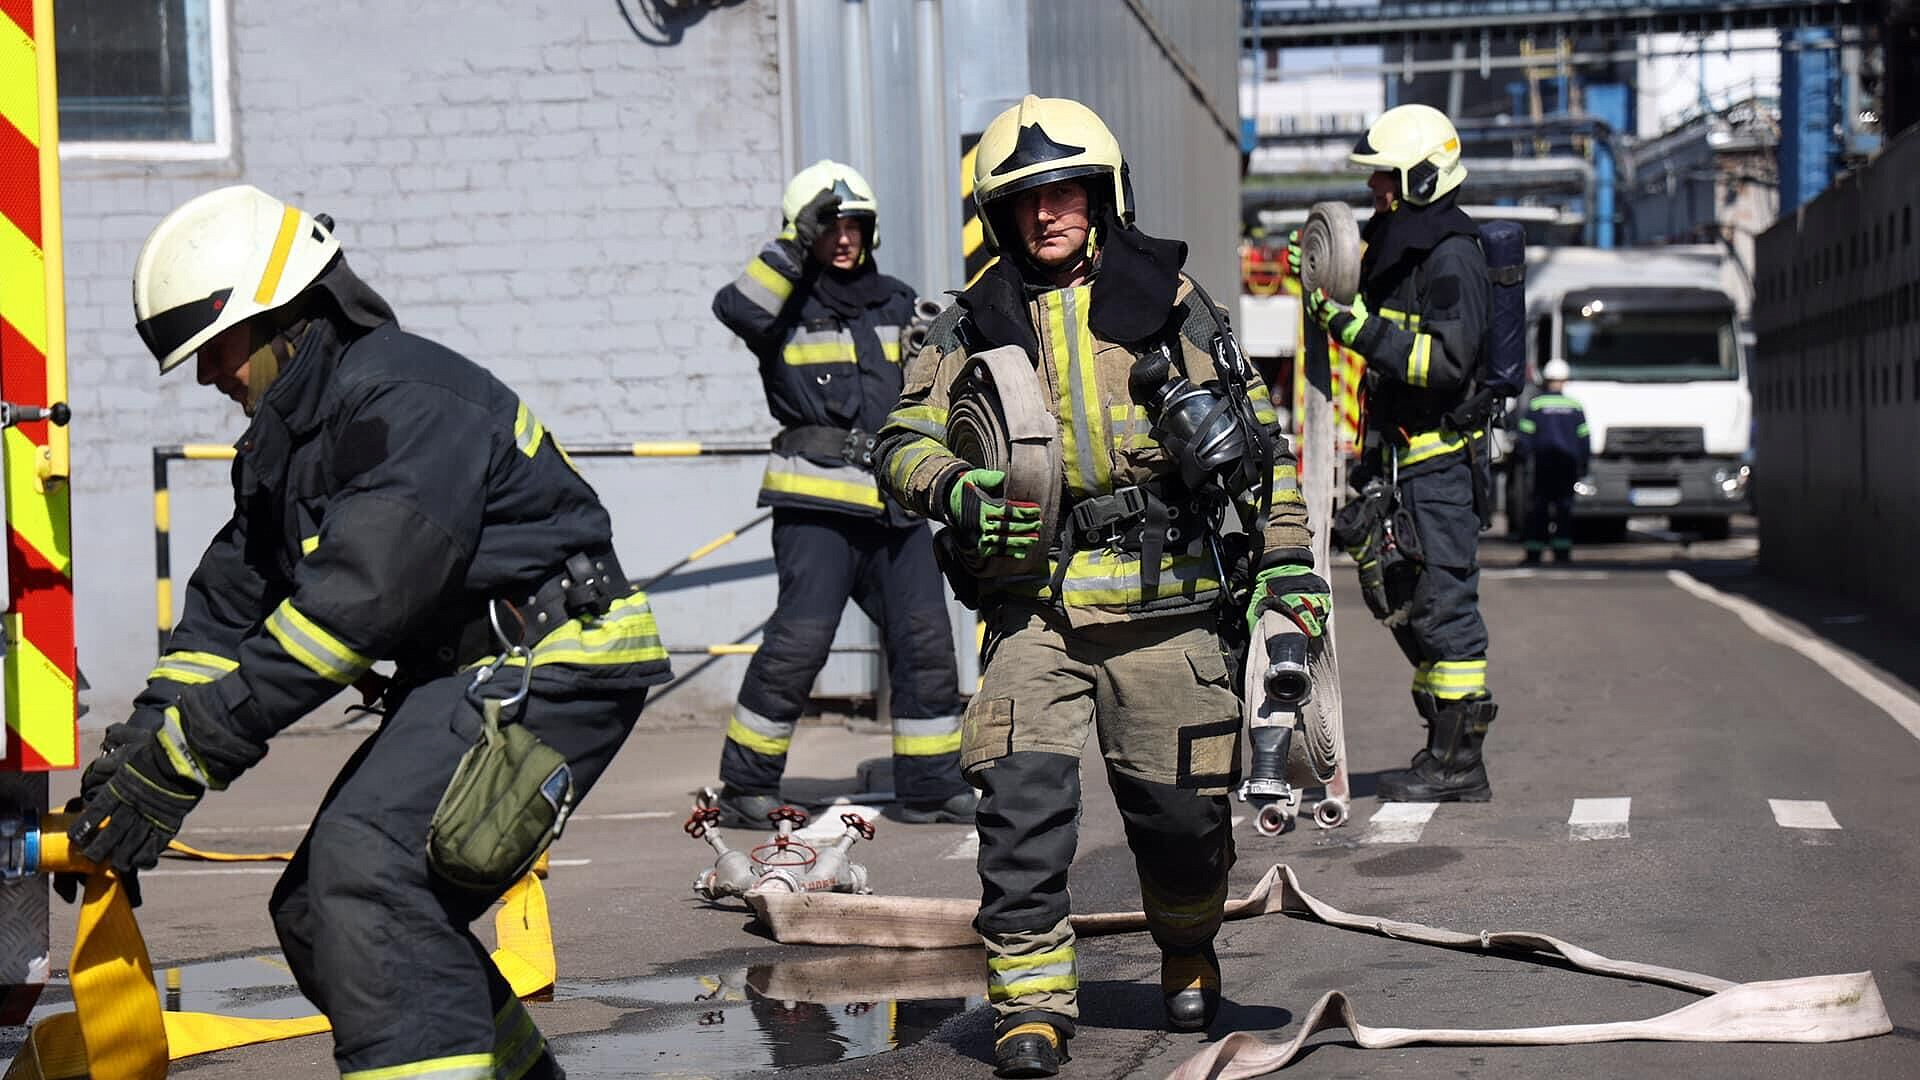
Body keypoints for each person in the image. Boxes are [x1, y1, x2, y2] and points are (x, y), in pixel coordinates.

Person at [70, 184, 672, 1080]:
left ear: (283, 317)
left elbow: (353, 609)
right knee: (319, 911)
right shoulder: (289, 445)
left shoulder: (405, 399)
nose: (206, 377)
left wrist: (188, 757)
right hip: (469, 674)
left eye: (215, 348)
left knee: (370, 872)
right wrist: (141, 750)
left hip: (553, 661)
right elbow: (225, 616)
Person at [876, 96, 1325, 1078]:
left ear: (1103, 195)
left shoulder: (1174, 304)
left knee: (1183, 825)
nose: (1046, 213)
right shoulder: (970, 324)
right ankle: (1031, 1004)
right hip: (1034, 612)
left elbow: (1262, 452)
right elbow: (899, 441)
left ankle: (1189, 944)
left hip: (1171, 613)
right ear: (1000, 215)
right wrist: (954, 487)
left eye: (1065, 192)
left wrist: (1289, 565)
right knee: (1020, 812)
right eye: (1024, 199)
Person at [709, 160, 972, 827]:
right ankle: (745, 786)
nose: (845, 238)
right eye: (829, 226)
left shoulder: (897, 301)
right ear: (805, 231)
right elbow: (735, 308)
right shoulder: (781, 306)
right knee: (800, 641)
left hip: (895, 506)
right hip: (817, 507)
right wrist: (793, 246)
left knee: (924, 639)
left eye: (855, 224)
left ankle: (931, 785)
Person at [1299, 102, 1497, 803]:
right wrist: (1319, 271)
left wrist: (1354, 329)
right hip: (1402, 464)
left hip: (1441, 467)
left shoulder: (1452, 255)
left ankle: (1459, 761)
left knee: (1445, 607)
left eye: (1384, 175)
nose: (1373, 187)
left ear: (1421, 176)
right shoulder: (1402, 247)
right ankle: (1440, 743)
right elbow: (1366, 297)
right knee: (1405, 600)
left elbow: (1446, 362)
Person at [1515, 359, 1591, 564]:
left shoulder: (1536, 405)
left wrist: (1522, 460)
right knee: (1564, 509)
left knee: (1538, 508)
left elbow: (1524, 437)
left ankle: (1534, 553)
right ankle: (1562, 553)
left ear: (1546, 380)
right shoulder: (1575, 406)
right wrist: (1584, 465)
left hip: (1542, 465)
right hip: (1567, 465)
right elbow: (1584, 439)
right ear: (1565, 380)